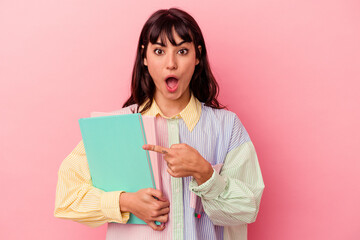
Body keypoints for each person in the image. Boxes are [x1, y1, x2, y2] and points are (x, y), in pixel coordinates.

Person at [54, 7, 265, 240]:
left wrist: (205, 173)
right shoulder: (114, 127)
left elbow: (248, 208)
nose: (171, 63)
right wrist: (126, 201)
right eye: (159, 51)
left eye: (182, 51)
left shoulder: (227, 127)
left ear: (197, 57)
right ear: (145, 57)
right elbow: (67, 197)